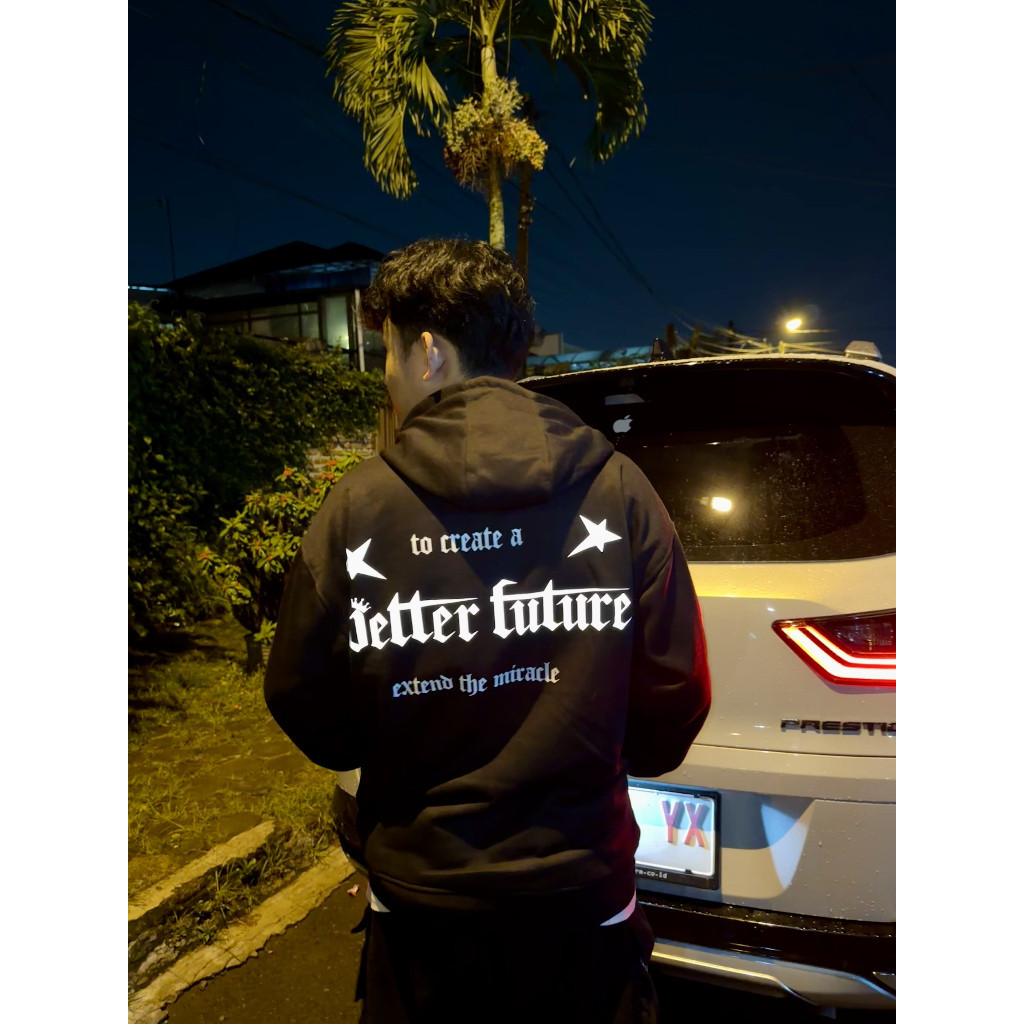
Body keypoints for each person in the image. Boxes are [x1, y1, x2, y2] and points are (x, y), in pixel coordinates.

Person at [264, 237, 711, 1024]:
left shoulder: (357, 507)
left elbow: (303, 695)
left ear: (429, 352)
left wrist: (390, 748)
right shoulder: (619, 489)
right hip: (583, 897)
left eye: (390, 351)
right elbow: (676, 689)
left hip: (424, 902)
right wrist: (603, 759)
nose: (388, 375)